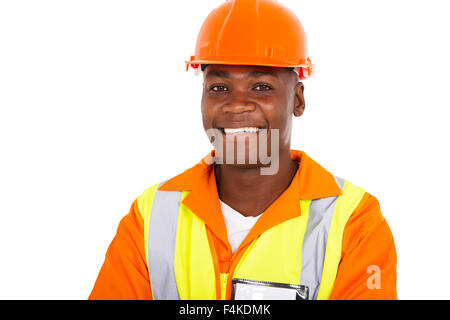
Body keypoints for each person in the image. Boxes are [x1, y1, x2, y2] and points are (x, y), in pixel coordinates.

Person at [89, 0, 397, 300]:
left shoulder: (354, 222)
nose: (236, 105)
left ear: (298, 100)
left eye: (261, 86)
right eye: (219, 87)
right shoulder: (151, 216)